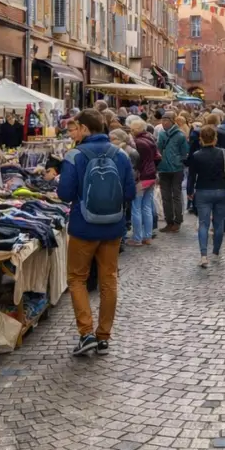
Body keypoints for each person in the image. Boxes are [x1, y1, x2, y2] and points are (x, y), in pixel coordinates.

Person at [58, 109, 136, 356]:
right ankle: (103, 336)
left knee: (77, 278)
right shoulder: (120, 154)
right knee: (109, 279)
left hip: (83, 227)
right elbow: (130, 193)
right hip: (113, 227)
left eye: (75, 128)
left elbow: (64, 194)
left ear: (84, 128)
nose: (73, 132)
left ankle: (86, 333)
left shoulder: (75, 155)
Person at [189, 125, 225, 268]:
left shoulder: (197, 155)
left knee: (203, 224)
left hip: (203, 191)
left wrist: (189, 192)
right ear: (215, 138)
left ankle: (203, 255)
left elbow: (192, 176)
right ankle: (216, 251)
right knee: (219, 223)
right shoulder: (223, 153)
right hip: (221, 190)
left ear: (201, 139)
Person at [157, 111, 190, 233]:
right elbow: (158, 149)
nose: (164, 122)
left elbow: (185, 152)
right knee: (165, 197)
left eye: (167, 120)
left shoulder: (180, 135)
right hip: (163, 169)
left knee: (176, 195)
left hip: (176, 169)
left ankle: (178, 221)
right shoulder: (161, 134)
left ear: (172, 121)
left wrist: (177, 161)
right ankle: (169, 221)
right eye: (163, 120)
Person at [129, 118, 159, 246]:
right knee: (147, 207)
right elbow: (158, 157)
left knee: (136, 208)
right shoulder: (150, 139)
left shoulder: (138, 143)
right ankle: (147, 236)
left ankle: (137, 238)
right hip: (151, 176)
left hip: (141, 178)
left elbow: (136, 163)